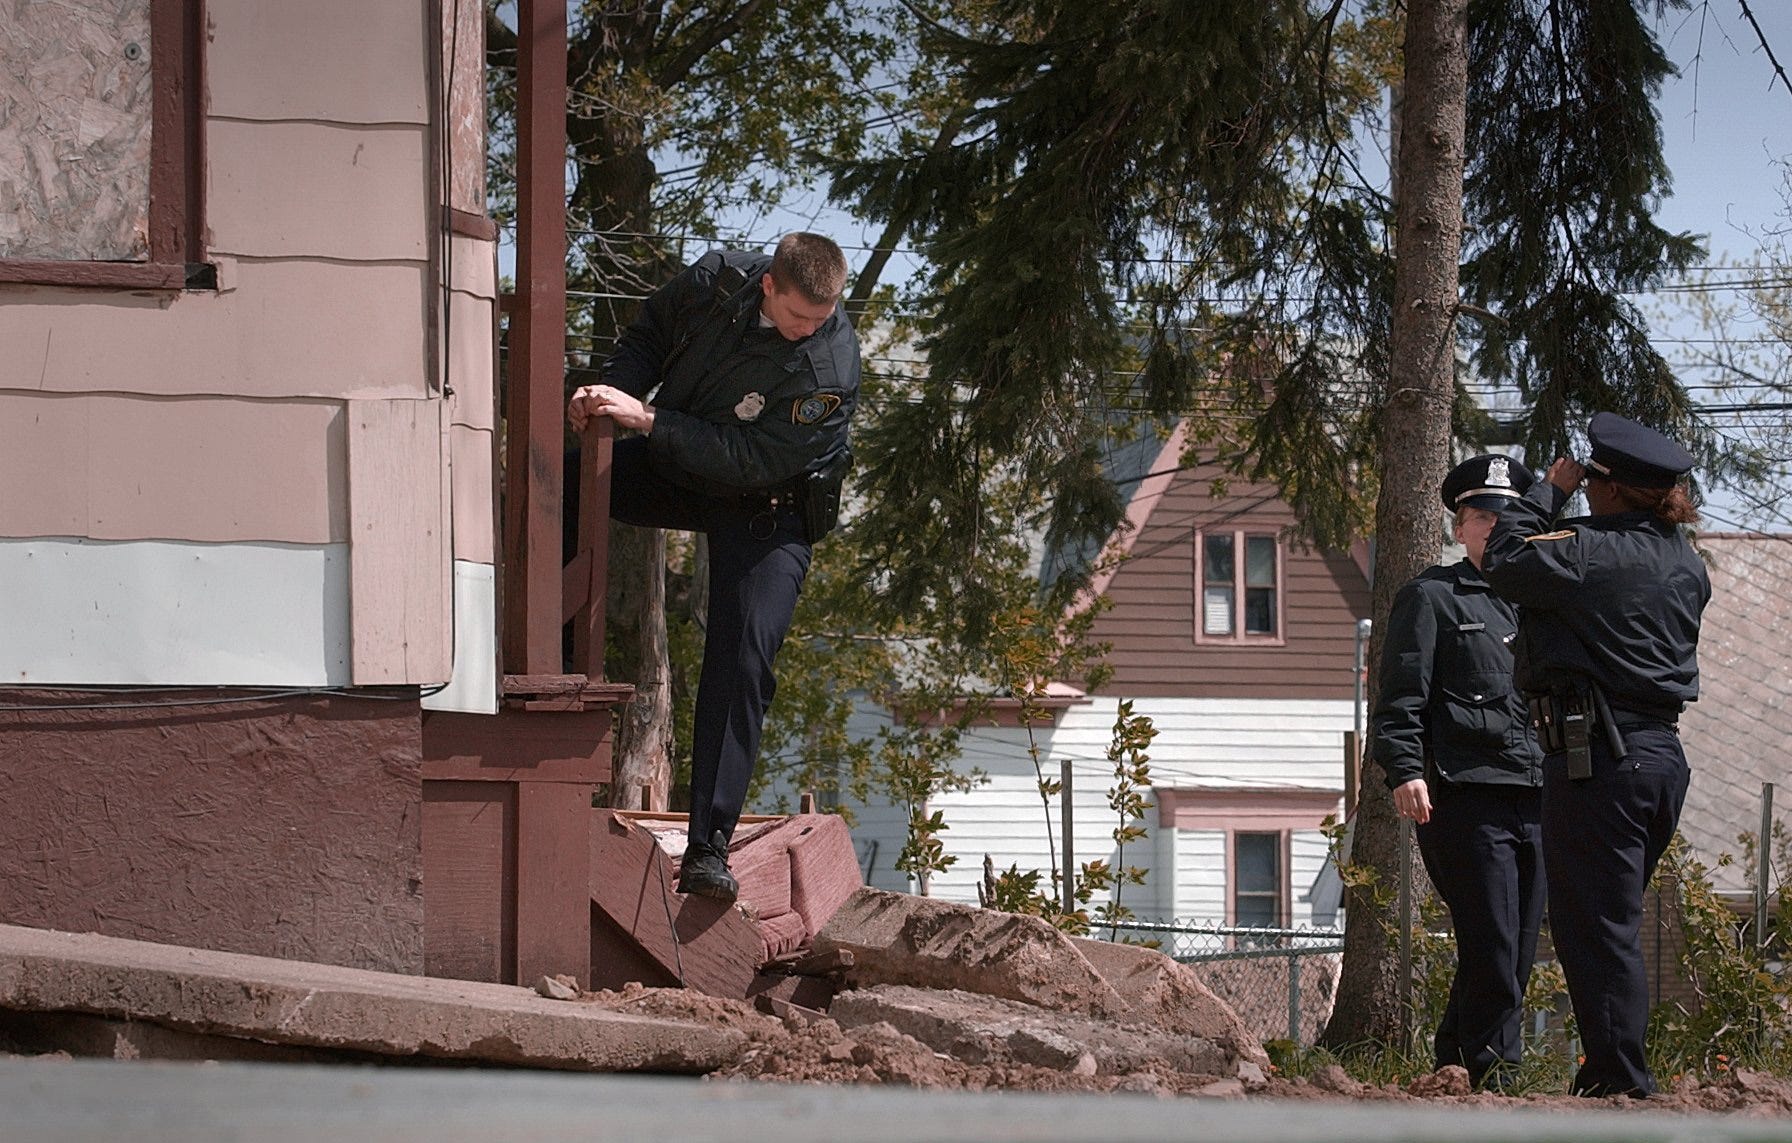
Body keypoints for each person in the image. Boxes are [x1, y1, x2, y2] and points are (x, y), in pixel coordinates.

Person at [567, 232, 859, 903]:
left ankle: (706, 850)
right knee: (566, 483)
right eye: (798, 318)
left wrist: (646, 417)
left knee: (746, 652)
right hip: (684, 462)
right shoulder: (714, 281)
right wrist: (610, 393)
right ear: (767, 285)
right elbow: (648, 333)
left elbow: (753, 461)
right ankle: (555, 675)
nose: (811, 330)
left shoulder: (831, 367)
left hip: (770, 505)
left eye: (824, 317)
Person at [1481, 412, 1711, 1098]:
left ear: (1608, 487)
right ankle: (1612, 1072)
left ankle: (1618, 1080)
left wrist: (1547, 491)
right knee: (1606, 921)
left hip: (1600, 759)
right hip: (1659, 757)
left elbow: (1504, 559)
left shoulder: (1584, 548)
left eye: (1591, 481)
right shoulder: (1686, 561)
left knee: (1597, 929)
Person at [1371, 454, 1546, 1090]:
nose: (1494, 527)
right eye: (1480, 517)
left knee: (1515, 944)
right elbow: (1400, 696)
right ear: (1460, 528)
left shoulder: (1542, 599)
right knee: (1494, 938)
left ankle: (1458, 1063)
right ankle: (1496, 1070)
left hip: (1539, 791)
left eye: (1505, 517)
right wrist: (1404, 770)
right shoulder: (1433, 597)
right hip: (1466, 795)